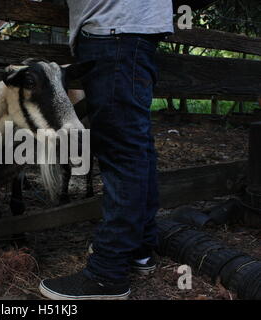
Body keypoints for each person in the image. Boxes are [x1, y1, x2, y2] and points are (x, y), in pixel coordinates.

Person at [39, 0, 174, 300]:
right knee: (135, 147)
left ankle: (107, 274)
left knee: (123, 151)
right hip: (127, 29)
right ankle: (139, 248)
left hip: (114, 30)